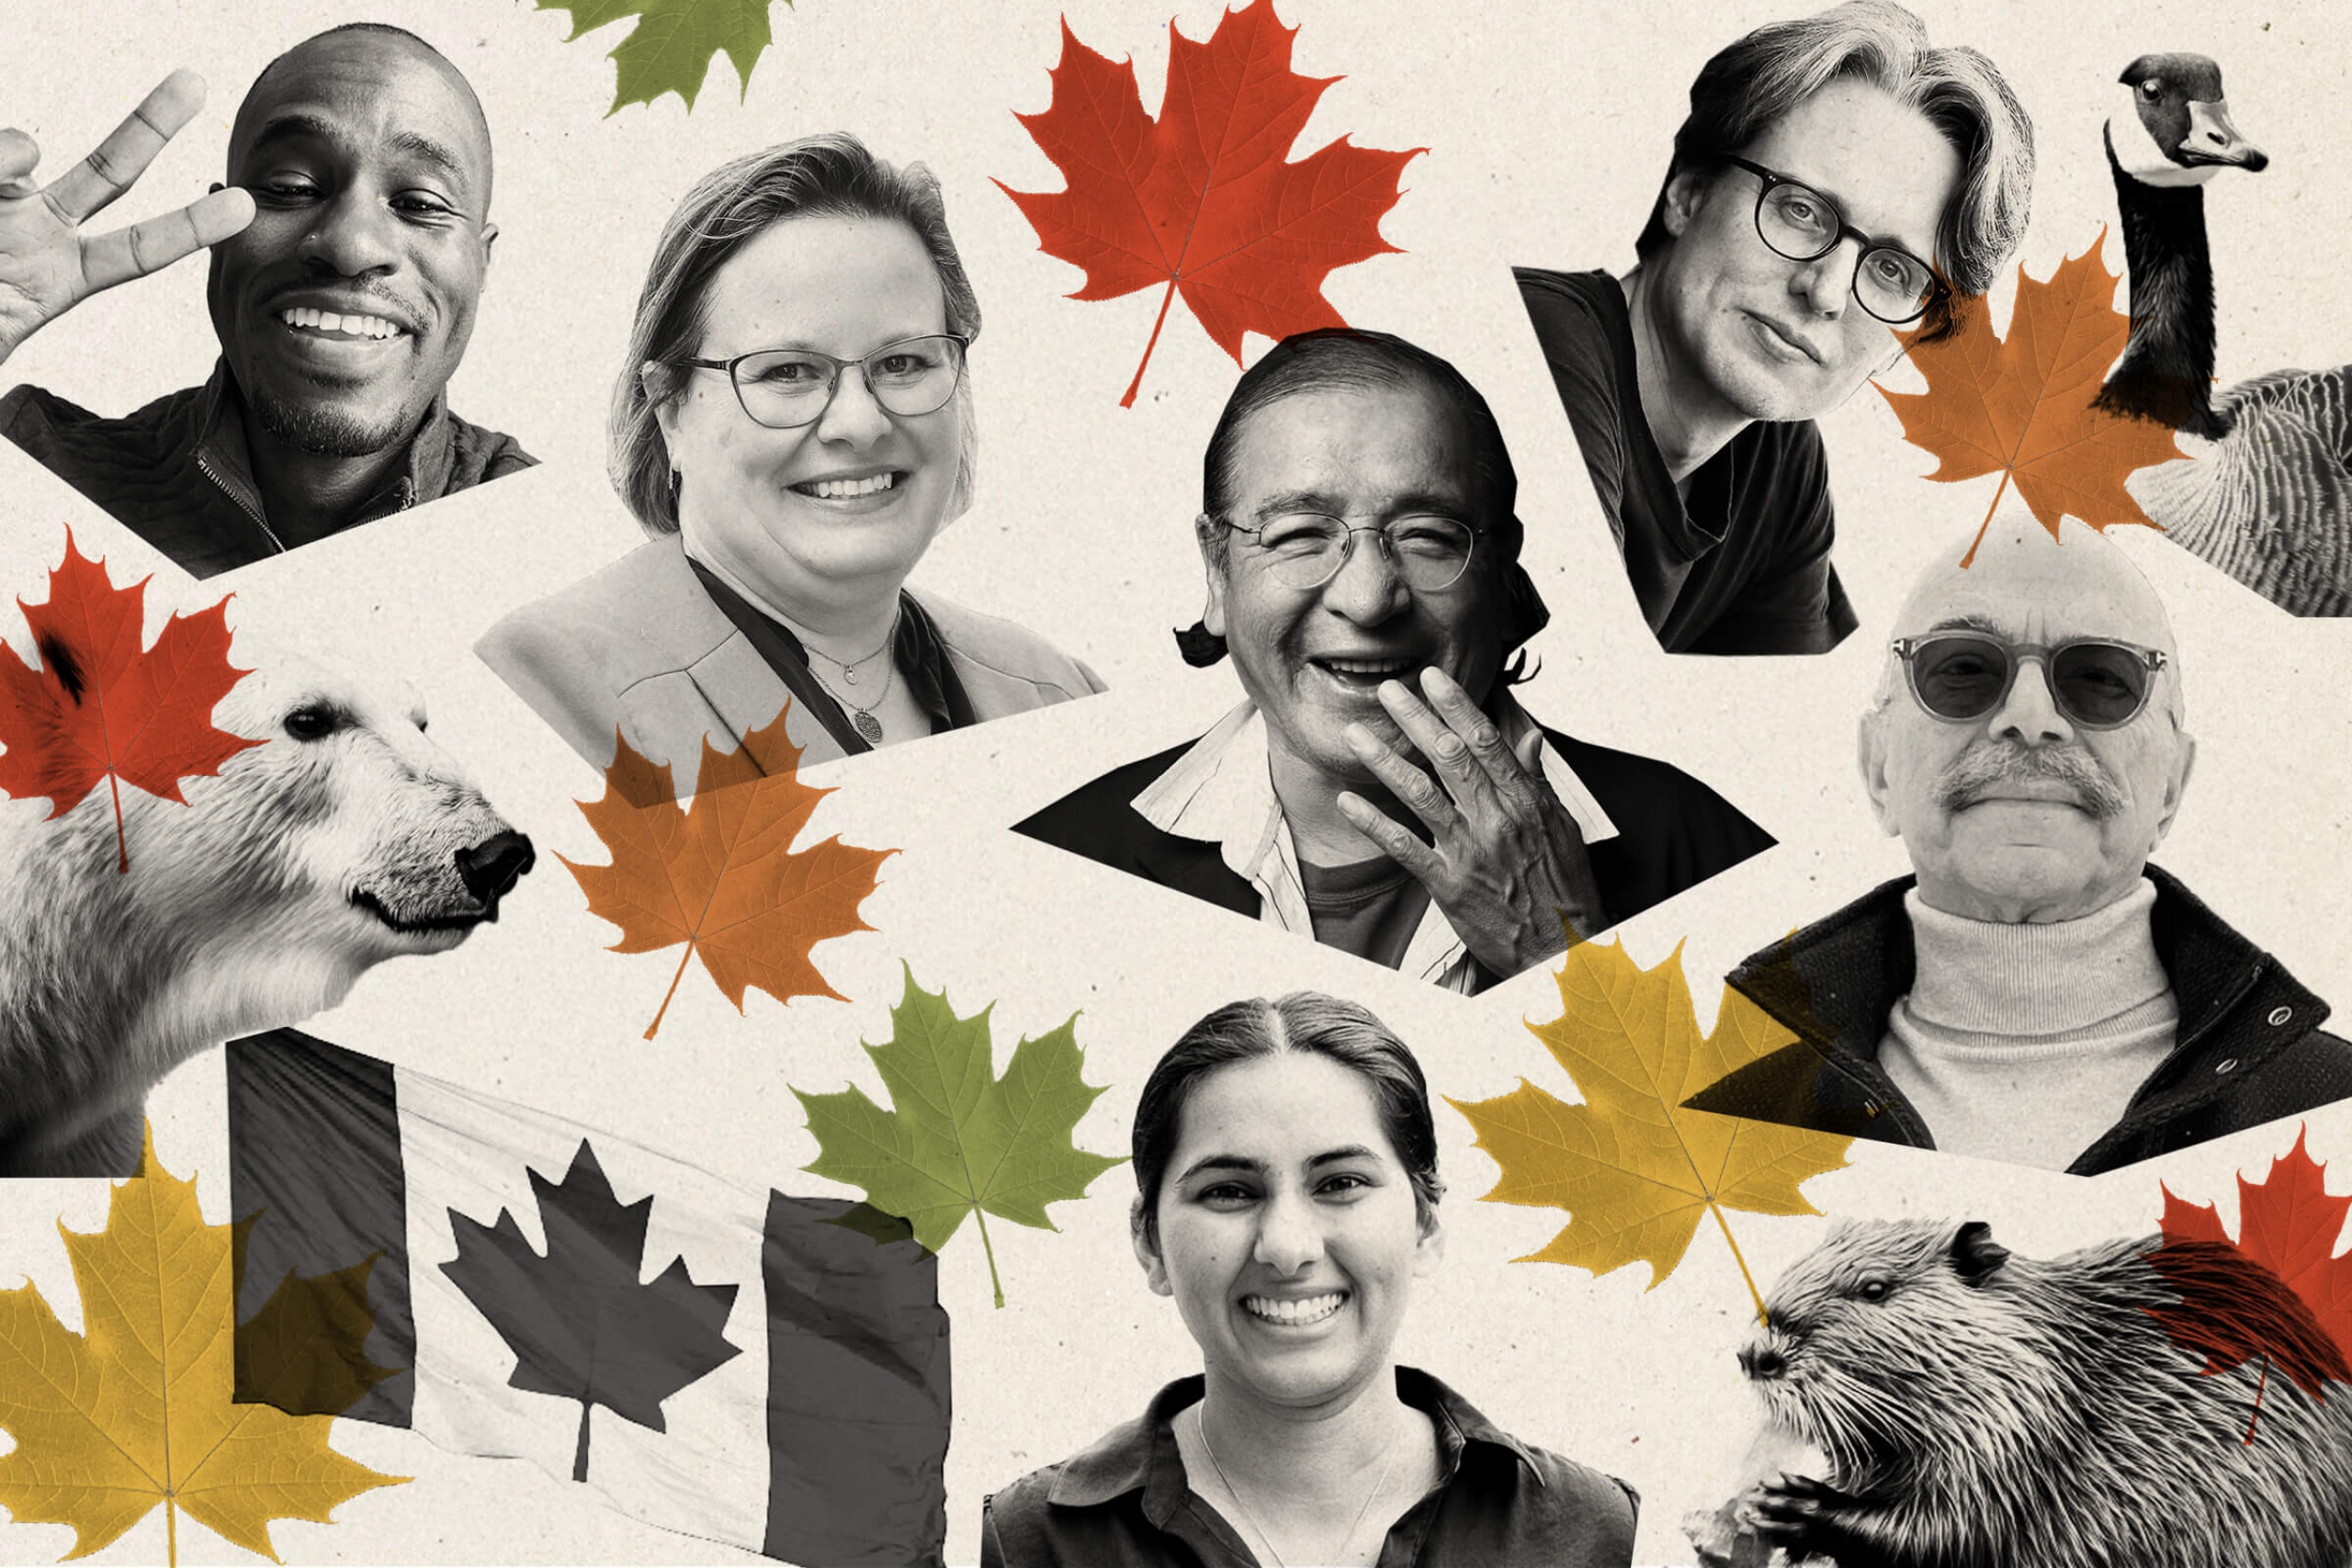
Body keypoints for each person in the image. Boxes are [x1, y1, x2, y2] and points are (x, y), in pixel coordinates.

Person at [1015, 330, 1772, 995]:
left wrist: (1560, 954)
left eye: (1428, 535)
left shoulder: (1699, 848)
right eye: (1300, 534)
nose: (1370, 598)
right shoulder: (1066, 863)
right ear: (1217, 574)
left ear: (1505, 575)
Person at [1689, 519, 2352, 1175]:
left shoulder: (2333, 1107)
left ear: (2172, 785)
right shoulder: (1710, 1126)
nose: (2031, 719)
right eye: (1964, 669)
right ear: (1878, 768)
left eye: (2099, 677)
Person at [478, 133, 1102, 789]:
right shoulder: (541, 693)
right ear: (670, 410)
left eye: (903, 362)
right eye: (789, 372)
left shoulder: (1055, 692)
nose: (860, 424)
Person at [982, 993, 1638, 1567]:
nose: (1287, 1247)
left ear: (1425, 1225)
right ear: (1149, 1240)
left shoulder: (1598, 1533)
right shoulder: (1019, 1544)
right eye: (1230, 1190)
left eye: (1340, 1183)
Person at [1513, 0, 2034, 654]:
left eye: (1893, 271)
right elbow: (1573, 692)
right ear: (1688, 192)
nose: (1824, 292)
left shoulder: (1780, 465)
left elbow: (1781, 738)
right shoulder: (1541, 343)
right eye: (1801, 211)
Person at [0, 28, 530, 579]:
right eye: (292, 186)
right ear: (216, 235)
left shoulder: (563, 540)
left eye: (420, 202)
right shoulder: (31, 475)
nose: (350, 247)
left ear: (482, 262)